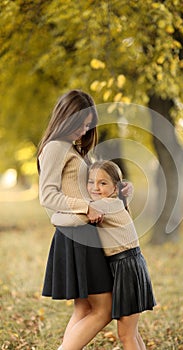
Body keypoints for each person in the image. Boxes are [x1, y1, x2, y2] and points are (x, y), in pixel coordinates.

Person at [37, 90, 133, 350]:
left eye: (88, 124)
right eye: (81, 123)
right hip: (78, 236)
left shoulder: (73, 150)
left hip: (84, 234)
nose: (84, 129)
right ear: (65, 117)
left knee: (83, 310)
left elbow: (85, 189)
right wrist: (86, 207)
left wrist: (117, 194)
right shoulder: (56, 147)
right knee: (103, 310)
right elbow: (47, 195)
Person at [52, 160, 156, 350]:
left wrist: (53, 215)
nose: (95, 187)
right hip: (129, 266)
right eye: (91, 182)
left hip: (127, 270)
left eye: (103, 183)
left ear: (114, 187)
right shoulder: (114, 202)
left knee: (127, 336)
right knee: (132, 333)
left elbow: (64, 219)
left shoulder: (105, 206)